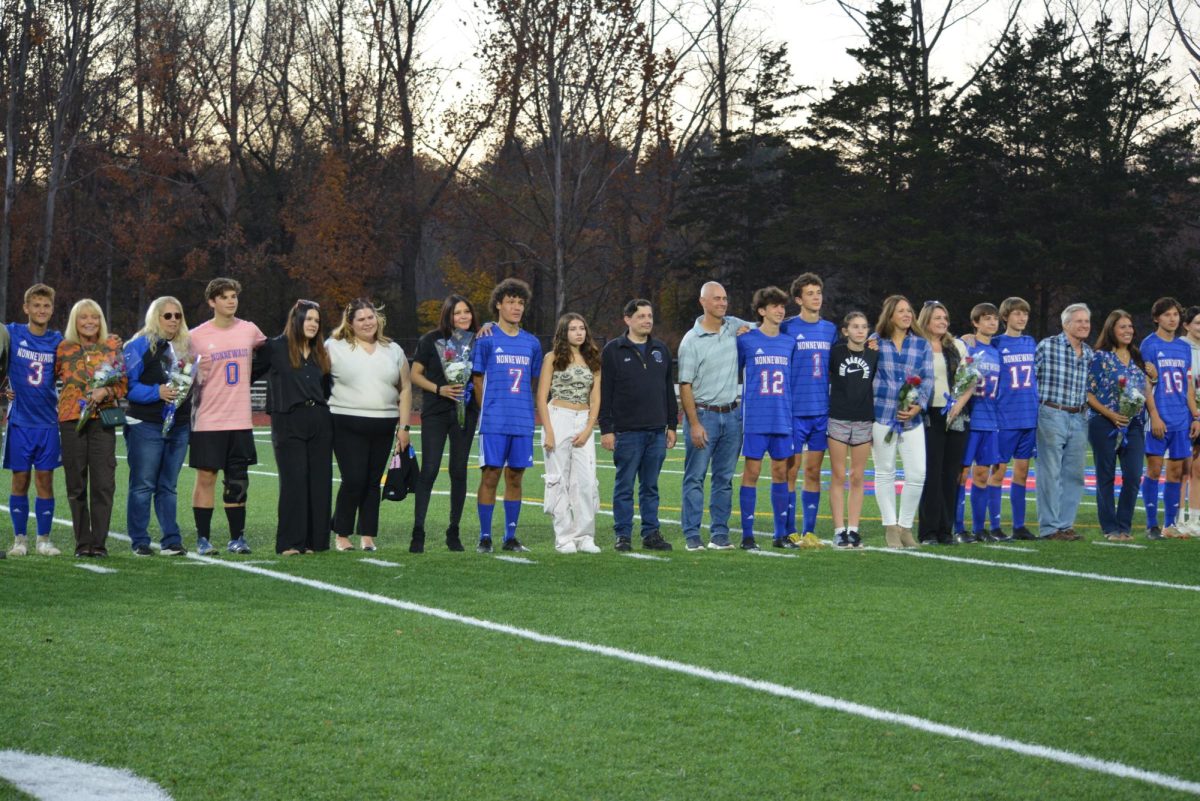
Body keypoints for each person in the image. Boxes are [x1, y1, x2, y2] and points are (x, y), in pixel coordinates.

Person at [188, 277, 267, 555]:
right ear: (212, 302)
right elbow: (181, 371)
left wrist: (250, 376)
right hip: (208, 420)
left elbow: (268, 355)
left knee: (238, 480)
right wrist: (195, 373)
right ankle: (203, 538)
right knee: (206, 478)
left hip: (240, 420)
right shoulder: (196, 336)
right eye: (224, 297)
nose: (231, 301)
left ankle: (237, 538)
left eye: (234, 296)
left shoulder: (250, 330)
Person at [328, 298, 412, 552]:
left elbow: (405, 388)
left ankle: (368, 534)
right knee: (354, 478)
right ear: (350, 324)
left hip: (384, 423)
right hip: (345, 421)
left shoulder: (393, 349)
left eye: (371, 317)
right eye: (361, 319)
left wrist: (404, 427)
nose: (367, 322)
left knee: (373, 481)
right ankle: (341, 533)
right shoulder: (334, 346)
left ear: (379, 319)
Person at [677, 281, 753, 551]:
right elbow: (685, 385)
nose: (722, 303)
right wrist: (694, 423)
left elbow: (768, 327)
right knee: (695, 477)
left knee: (724, 479)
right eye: (716, 299)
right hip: (704, 415)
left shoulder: (734, 326)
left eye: (724, 298)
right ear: (703, 302)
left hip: (732, 415)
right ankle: (692, 535)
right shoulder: (691, 340)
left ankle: (720, 534)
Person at [599, 299, 678, 551]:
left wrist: (672, 425)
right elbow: (605, 392)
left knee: (650, 486)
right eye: (642, 316)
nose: (647, 320)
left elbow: (668, 390)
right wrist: (607, 429)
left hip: (656, 431)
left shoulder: (661, 350)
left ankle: (651, 533)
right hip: (627, 431)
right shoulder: (613, 350)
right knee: (624, 486)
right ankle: (623, 534)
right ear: (628, 319)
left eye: (650, 316)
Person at [472, 279, 541, 553]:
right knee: (490, 476)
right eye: (511, 301)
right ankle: (485, 536)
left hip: (522, 421)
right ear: (498, 304)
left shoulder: (532, 343)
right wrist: (486, 412)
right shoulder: (487, 338)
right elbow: (477, 380)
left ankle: (510, 537)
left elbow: (532, 382)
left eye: (520, 303)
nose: (516, 307)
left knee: (515, 478)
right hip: (494, 422)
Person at [259, 300, 332, 554]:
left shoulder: (320, 352)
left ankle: (315, 542)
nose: (313, 324)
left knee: (319, 482)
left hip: (320, 420)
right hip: (288, 420)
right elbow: (248, 371)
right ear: (296, 320)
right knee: (294, 482)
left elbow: (327, 390)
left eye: (317, 320)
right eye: (308, 319)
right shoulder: (275, 347)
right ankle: (290, 542)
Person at [123, 296, 194, 557]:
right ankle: (140, 540)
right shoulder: (139, 344)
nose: (174, 320)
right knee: (143, 485)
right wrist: (157, 392)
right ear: (155, 317)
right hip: (146, 423)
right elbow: (126, 386)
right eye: (167, 315)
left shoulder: (187, 346)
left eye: (178, 315)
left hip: (179, 424)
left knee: (168, 486)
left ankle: (171, 540)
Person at [55, 300, 126, 558]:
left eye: (94, 317)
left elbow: (122, 385)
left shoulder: (112, 346)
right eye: (83, 317)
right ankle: (82, 543)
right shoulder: (62, 348)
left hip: (102, 420)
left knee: (103, 484)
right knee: (76, 484)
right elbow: (45, 378)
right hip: (71, 421)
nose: (89, 322)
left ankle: (99, 544)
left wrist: (105, 390)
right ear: (75, 320)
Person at [409, 295, 479, 552]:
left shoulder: (478, 340)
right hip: (436, 412)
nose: (463, 316)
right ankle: (418, 532)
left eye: (467, 312)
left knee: (459, 472)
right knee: (429, 469)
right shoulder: (430, 340)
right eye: (457, 312)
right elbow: (414, 374)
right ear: (448, 315)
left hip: (466, 413)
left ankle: (454, 532)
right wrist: (440, 389)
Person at [735, 287, 797, 550]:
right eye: (774, 306)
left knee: (781, 471)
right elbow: (734, 373)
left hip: (782, 417)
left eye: (782, 306)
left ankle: (780, 534)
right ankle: (747, 535)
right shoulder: (746, 340)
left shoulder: (789, 342)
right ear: (761, 311)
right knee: (752, 472)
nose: (780, 310)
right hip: (755, 419)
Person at [5, 284, 64, 557]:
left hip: (47, 423)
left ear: (52, 310)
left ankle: (43, 539)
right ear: (26, 308)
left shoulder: (58, 341)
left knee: (45, 481)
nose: (41, 310)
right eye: (36, 305)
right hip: (19, 422)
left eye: (46, 306)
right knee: (19, 480)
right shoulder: (12, 333)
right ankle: (20, 540)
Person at [870, 295, 933, 548]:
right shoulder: (875, 342)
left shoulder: (921, 345)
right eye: (901, 311)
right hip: (882, 415)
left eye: (910, 310)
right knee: (884, 472)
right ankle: (890, 528)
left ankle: (906, 527)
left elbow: (927, 378)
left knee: (917, 473)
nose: (907, 315)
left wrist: (919, 406)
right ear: (890, 315)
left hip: (912, 419)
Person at [536, 313, 602, 553]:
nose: (579, 332)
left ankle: (585, 536)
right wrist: (549, 431)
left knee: (585, 482)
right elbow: (542, 397)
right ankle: (563, 538)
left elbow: (596, 399)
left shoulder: (592, 359)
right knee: (558, 480)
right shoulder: (552, 358)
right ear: (564, 332)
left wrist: (587, 430)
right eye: (573, 328)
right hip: (558, 417)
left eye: (582, 328)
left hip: (583, 419)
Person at [780, 273, 837, 544]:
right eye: (810, 293)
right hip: (793, 411)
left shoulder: (830, 329)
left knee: (813, 472)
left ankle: (809, 531)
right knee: (791, 471)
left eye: (818, 292)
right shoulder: (787, 327)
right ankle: (789, 529)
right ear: (798, 299)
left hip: (821, 411)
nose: (816, 297)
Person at [1140, 297, 1200, 539]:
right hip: (1158, 418)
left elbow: (1187, 386)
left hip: (1180, 419)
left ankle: (1169, 525)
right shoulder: (1149, 345)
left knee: (1176, 473)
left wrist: (1194, 416)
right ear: (1157, 318)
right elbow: (1146, 383)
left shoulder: (1183, 347)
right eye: (1167, 315)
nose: (1172, 318)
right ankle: (1152, 525)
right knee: (1154, 471)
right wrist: (1153, 415)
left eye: (1175, 314)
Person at [1086, 310, 1148, 542]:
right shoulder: (1099, 357)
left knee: (1133, 475)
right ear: (1111, 330)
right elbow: (1088, 394)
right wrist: (1111, 414)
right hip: (1104, 423)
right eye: (1122, 327)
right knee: (1106, 475)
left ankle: (1125, 526)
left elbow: (1145, 390)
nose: (1128, 331)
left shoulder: (1137, 358)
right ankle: (1110, 528)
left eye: (1130, 327)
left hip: (1134, 425)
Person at [1034, 303, 1093, 540]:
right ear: (1065, 324)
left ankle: (1065, 524)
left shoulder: (1089, 353)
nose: (1084, 325)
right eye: (1079, 321)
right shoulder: (1047, 346)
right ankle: (1049, 527)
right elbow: (1030, 378)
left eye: (1087, 321)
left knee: (1074, 474)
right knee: (1049, 472)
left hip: (1079, 416)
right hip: (1051, 412)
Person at [916, 301, 971, 546]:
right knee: (931, 475)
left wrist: (959, 405)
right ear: (926, 320)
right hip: (928, 415)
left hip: (956, 415)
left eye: (945, 318)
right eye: (937, 318)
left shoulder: (956, 345)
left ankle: (945, 530)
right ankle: (928, 531)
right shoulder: (917, 345)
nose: (942, 322)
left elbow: (970, 379)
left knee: (951, 474)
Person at [826, 311, 877, 548]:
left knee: (857, 477)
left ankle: (854, 529)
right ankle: (839, 529)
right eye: (855, 326)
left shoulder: (874, 354)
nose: (860, 330)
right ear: (845, 331)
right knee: (838, 475)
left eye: (864, 327)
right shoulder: (835, 352)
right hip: (838, 418)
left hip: (863, 419)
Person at [990, 298, 1039, 540]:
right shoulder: (997, 343)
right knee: (997, 473)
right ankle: (995, 525)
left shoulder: (1031, 343)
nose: (1022, 318)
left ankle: (1019, 525)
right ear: (1006, 317)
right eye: (1017, 314)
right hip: (1005, 418)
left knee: (1022, 473)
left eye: (1025, 314)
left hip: (1029, 417)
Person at [962, 303, 1007, 542]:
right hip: (969, 419)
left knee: (982, 475)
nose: (992, 323)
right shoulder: (966, 346)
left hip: (990, 421)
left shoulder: (997, 351)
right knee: (960, 474)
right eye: (986, 319)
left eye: (995, 319)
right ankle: (959, 528)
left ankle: (979, 529)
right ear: (975, 322)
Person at [1182, 306, 1200, 534]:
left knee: (1198, 468)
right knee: (1183, 468)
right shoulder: (1180, 348)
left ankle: (1195, 519)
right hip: (1184, 415)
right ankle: (1176, 518)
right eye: (1197, 322)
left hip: (1199, 414)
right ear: (1186, 325)